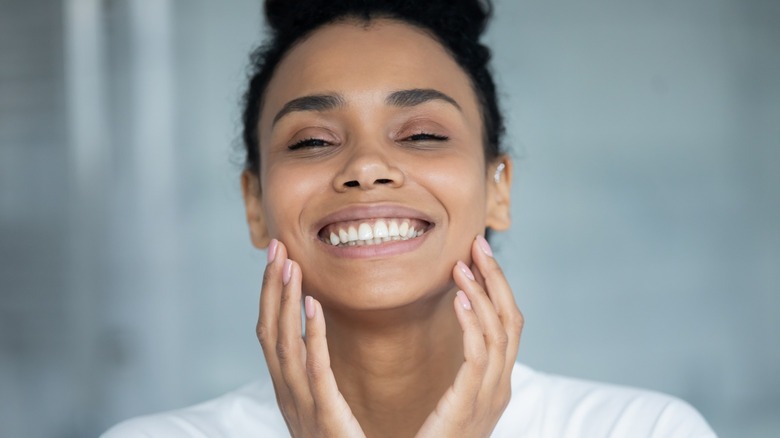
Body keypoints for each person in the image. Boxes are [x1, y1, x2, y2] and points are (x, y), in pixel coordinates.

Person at [103, 0, 716, 436]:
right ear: (254, 203)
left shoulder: (643, 430)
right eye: (312, 141)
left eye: (422, 133)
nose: (367, 166)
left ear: (497, 186)